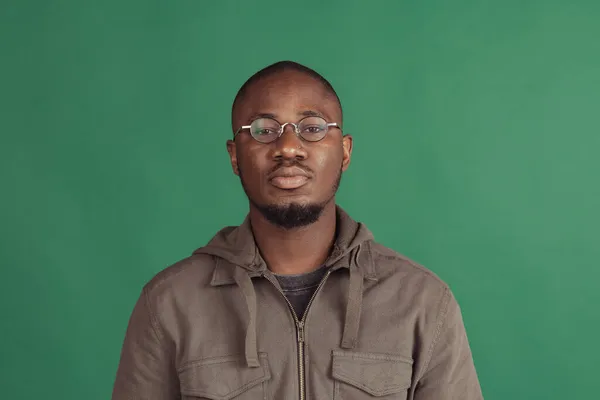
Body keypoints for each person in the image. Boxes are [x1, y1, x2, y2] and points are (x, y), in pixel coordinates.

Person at [112, 60, 483, 400]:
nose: (289, 148)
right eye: (264, 130)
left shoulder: (423, 302)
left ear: (345, 151)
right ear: (234, 156)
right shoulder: (169, 304)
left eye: (312, 128)